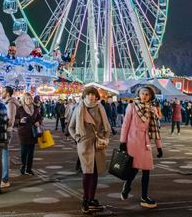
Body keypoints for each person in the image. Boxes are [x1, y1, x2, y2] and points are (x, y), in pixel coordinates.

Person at [119, 86, 163, 209]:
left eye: (147, 94)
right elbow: (125, 125)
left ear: (151, 97)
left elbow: (155, 129)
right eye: (143, 93)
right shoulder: (132, 106)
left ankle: (144, 196)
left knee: (146, 170)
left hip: (145, 142)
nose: (144, 96)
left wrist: (159, 147)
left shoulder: (152, 109)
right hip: (132, 141)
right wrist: (122, 142)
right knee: (133, 169)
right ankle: (127, 186)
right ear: (139, 94)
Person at [68, 86, 110, 214]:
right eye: (88, 95)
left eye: (93, 95)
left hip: (97, 144)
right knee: (87, 172)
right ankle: (85, 200)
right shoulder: (79, 108)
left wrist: (104, 137)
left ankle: (91, 198)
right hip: (84, 144)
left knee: (95, 172)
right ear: (84, 96)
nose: (91, 97)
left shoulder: (100, 108)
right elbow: (71, 126)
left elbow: (106, 126)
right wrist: (77, 138)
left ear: (97, 96)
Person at [16, 93, 41, 175]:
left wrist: (38, 122)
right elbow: (16, 120)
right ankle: (23, 166)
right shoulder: (20, 109)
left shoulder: (36, 108)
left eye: (30, 98)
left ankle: (29, 169)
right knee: (24, 151)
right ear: (24, 99)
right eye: (27, 98)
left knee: (31, 152)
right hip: (23, 133)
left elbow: (39, 117)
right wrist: (20, 121)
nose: (29, 100)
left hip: (33, 132)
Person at [1, 86, 19, 188]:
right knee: (2, 154)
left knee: (4, 155)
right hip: (5, 131)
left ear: (7, 93)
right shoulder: (7, 102)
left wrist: (3, 126)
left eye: (3, 91)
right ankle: (3, 178)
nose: (1, 93)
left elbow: (10, 120)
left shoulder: (10, 104)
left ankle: (5, 179)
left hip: (6, 131)